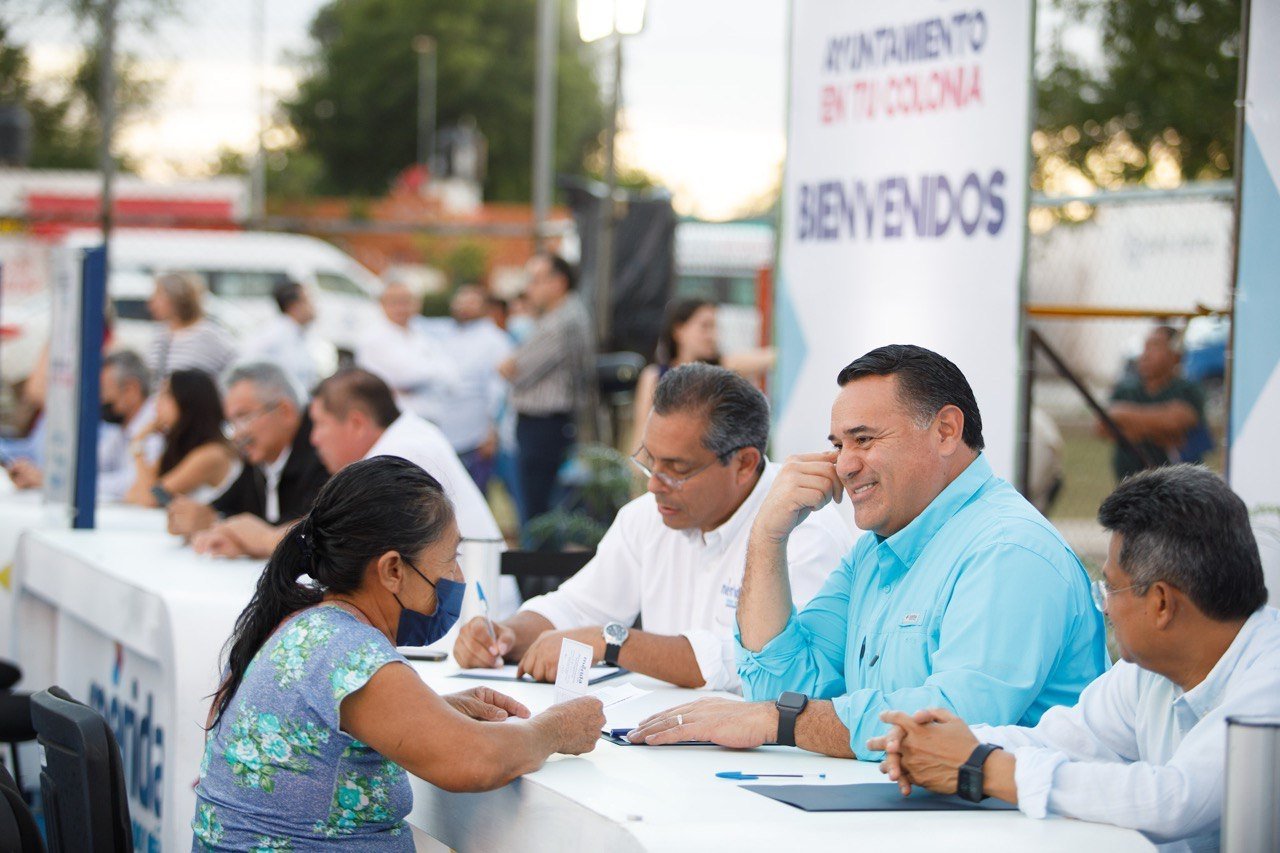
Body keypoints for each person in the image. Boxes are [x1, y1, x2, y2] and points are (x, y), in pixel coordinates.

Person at [627, 345, 1107, 752]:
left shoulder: (1010, 552)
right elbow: (780, 685)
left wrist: (782, 721)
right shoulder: (875, 550)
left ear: (945, 431)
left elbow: (946, 728)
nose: (844, 465)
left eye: (864, 439)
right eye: (838, 444)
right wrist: (767, 535)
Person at [191, 456, 604, 850]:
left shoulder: (308, 624)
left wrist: (432, 710)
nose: (457, 578)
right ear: (392, 570)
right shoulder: (347, 651)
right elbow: (475, 761)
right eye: (450, 559)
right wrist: (556, 729)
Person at [871, 465, 1277, 852]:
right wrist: (938, 743)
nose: (1104, 607)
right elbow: (1061, 740)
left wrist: (983, 767)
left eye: (1110, 590)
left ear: (1161, 603)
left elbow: (1174, 799)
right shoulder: (1151, 672)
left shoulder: (1269, 682)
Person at [453, 363, 852, 691]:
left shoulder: (802, 528)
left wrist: (610, 641)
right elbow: (578, 605)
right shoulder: (649, 514)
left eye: (677, 470)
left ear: (745, 463)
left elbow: (740, 662)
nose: (653, 484)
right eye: (649, 461)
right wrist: (503, 634)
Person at [193, 368, 502, 558]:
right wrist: (253, 541)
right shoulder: (404, 438)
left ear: (356, 423)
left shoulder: (403, 453)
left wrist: (260, 539)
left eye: (320, 424)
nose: (313, 439)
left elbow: (338, 540)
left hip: (471, 624)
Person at [166, 362, 328, 540]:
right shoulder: (259, 460)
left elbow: (308, 531)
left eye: (243, 417)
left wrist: (215, 523)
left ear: (285, 411)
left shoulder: (323, 455)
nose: (236, 434)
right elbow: (226, 508)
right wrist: (197, 516)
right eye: (231, 423)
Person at [498, 253, 593, 524]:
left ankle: (537, 567)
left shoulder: (561, 321)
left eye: (536, 280)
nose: (529, 289)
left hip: (544, 427)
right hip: (546, 426)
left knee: (538, 516)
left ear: (558, 282)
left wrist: (509, 363)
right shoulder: (563, 314)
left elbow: (514, 370)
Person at [6, 350, 162, 500]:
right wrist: (44, 477)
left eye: (104, 391)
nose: (100, 400)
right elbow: (95, 463)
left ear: (131, 389)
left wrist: (63, 484)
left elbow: (132, 481)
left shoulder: (155, 425)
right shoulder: (121, 428)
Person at [631, 299, 775, 448]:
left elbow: (774, 357)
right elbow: (642, 433)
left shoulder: (722, 369)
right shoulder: (654, 376)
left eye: (715, 328)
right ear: (679, 330)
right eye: (705, 326)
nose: (712, 335)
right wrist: (636, 470)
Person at [430, 285, 514, 492]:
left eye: (471, 302)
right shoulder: (443, 333)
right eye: (461, 300)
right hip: (442, 433)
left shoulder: (495, 340)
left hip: (475, 437)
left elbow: (500, 390)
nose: (464, 306)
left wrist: (491, 432)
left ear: (484, 307)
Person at [1101, 325, 1208, 482]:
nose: (1146, 355)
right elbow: (1102, 426)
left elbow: (1177, 421)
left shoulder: (1187, 390)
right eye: (1145, 347)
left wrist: (1124, 416)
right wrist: (1160, 430)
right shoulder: (1126, 389)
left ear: (1176, 356)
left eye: (1155, 347)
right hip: (1129, 485)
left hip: (1179, 487)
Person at [124, 369, 241, 507]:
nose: (156, 404)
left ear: (188, 402)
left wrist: (138, 445)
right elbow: (133, 494)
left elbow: (150, 499)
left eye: (165, 395)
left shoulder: (212, 453)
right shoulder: (180, 448)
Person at [356, 281, 459, 428]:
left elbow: (452, 376)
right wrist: (431, 373)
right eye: (395, 302)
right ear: (382, 304)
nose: (401, 307)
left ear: (417, 304)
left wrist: (417, 382)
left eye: (407, 301)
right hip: (391, 423)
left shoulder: (422, 333)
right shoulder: (373, 337)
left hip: (429, 421)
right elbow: (406, 375)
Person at [145, 272, 236, 381]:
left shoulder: (209, 336)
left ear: (176, 297)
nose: (152, 303)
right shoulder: (161, 335)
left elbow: (236, 370)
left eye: (158, 295)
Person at [239, 280, 320, 393]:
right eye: (308, 300)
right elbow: (245, 363)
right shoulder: (275, 334)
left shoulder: (297, 333)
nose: (313, 306)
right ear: (294, 305)